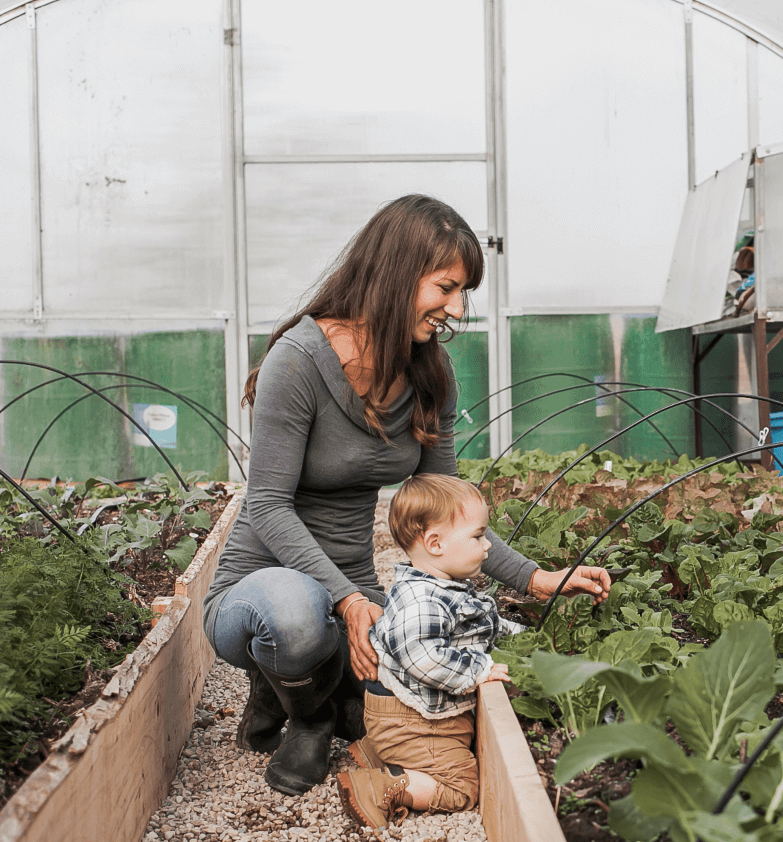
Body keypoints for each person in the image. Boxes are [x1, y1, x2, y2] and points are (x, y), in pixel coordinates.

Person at [200, 194, 610, 797]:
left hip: (351, 590)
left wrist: (534, 578)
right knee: (296, 617)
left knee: (408, 670)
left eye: (464, 291)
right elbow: (265, 506)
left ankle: (301, 682)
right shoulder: (299, 361)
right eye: (445, 287)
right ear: (397, 272)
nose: (456, 308)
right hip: (263, 578)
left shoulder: (428, 372)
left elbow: (448, 505)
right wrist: (345, 600)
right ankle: (307, 715)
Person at [334, 473, 514, 828]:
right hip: (414, 723)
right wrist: (477, 672)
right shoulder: (422, 600)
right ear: (435, 543)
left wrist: (521, 637)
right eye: (478, 536)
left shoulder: (444, 586)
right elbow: (421, 655)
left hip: (404, 717)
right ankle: (385, 784)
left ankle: (373, 750)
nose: (488, 545)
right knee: (462, 788)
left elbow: (481, 626)